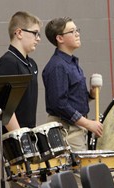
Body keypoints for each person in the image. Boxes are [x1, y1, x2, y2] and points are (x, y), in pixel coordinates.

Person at [42, 17, 103, 152]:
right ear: (60, 38)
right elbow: (60, 104)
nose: (77, 33)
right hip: (67, 131)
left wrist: (91, 95)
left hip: (76, 128)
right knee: (76, 172)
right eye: (72, 31)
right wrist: (88, 124)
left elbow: (71, 99)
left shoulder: (71, 63)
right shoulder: (58, 66)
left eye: (77, 30)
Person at [0, 11, 42, 158]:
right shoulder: (8, 63)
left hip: (25, 135)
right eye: (35, 33)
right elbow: (5, 107)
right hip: (12, 139)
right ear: (19, 33)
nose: (38, 39)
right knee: (24, 181)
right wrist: (22, 140)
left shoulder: (31, 64)